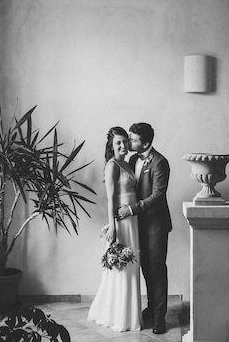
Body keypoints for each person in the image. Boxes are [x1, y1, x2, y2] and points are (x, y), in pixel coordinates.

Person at [117, 122, 172, 335]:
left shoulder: (160, 162)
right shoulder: (132, 159)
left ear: (146, 143)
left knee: (157, 269)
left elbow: (158, 196)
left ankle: (160, 318)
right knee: (145, 268)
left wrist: (131, 209)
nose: (129, 142)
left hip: (156, 225)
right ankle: (151, 307)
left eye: (133, 139)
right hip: (137, 225)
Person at [87, 126, 143, 332]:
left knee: (133, 263)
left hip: (133, 219)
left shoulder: (128, 164)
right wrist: (112, 226)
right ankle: (119, 315)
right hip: (121, 220)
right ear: (111, 146)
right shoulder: (112, 165)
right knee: (123, 266)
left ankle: (131, 314)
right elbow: (110, 198)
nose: (122, 145)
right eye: (118, 142)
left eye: (124, 141)